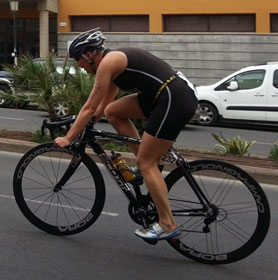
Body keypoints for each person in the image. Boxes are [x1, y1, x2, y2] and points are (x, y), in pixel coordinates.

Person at [54, 28, 198, 241]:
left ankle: (167, 223)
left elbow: (89, 106)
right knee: (114, 112)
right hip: (164, 96)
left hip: (174, 99)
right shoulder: (113, 63)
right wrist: (88, 124)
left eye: (78, 59)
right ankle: (145, 164)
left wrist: (69, 137)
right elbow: (102, 107)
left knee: (147, 161)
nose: (79, 65)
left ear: (89, 55)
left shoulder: (108, 63)